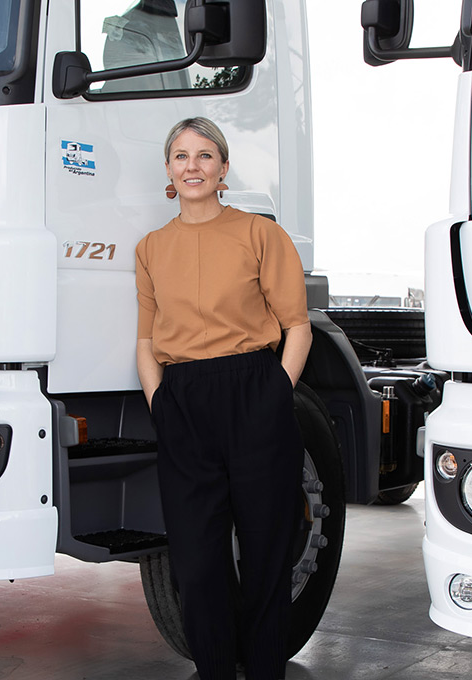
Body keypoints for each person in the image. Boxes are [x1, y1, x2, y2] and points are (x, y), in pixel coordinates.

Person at [135, 117, 312, 680]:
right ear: (168, 169)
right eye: (181, 155)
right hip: (183, 400)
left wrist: (276, 392)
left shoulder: (260, 234)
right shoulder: (151, 248)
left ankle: (264, 672)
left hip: (254, 391)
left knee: (266, 552)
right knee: (196, 561)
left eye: (205, 155)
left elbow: (298, 325)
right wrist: (160, 403)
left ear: (223, 169)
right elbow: (145, 340)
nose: (193, 166)